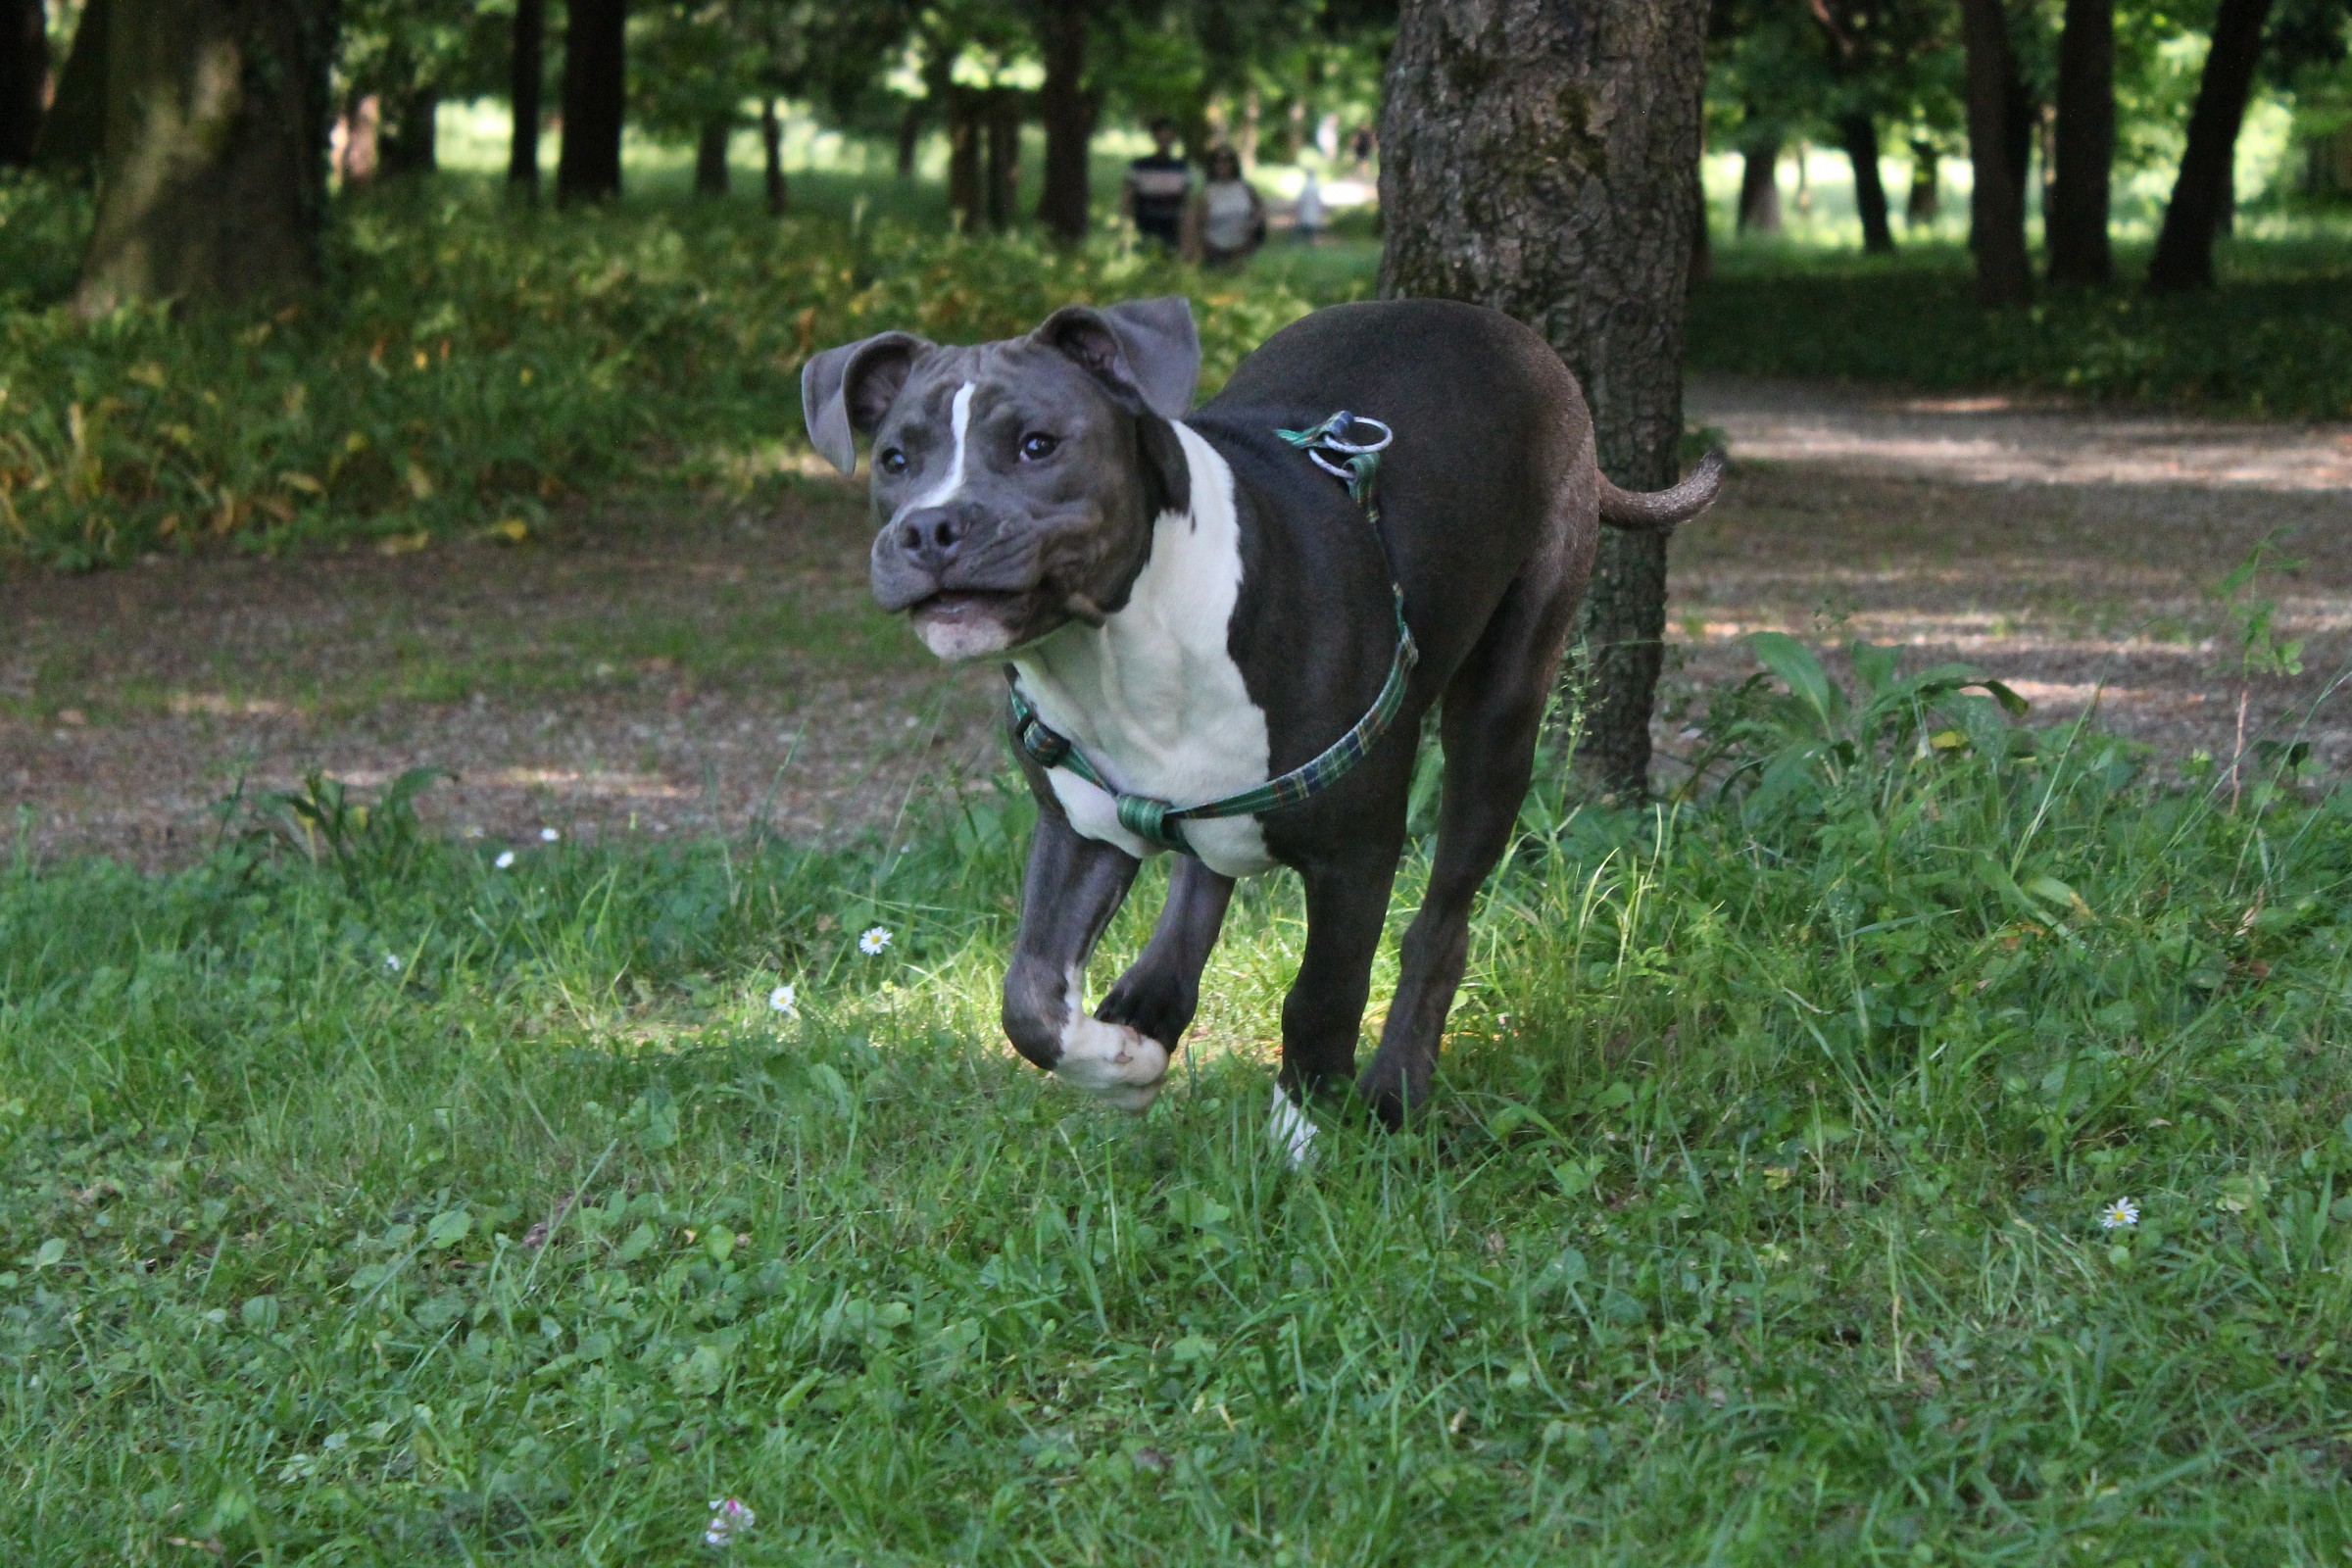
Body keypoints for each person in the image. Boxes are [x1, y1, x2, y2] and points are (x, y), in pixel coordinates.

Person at [1184, 146, 1266, 269]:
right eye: (1218, 161)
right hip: (1215, 250)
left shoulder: (1245, 189)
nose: (1223, 165)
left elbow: (1260, 209)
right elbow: (1197, 223)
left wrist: (1253, 226)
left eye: (1227, 161)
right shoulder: (1206, 192)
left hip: (1243, 248)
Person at [1120, 119, 1192, 251]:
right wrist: (1124, 230)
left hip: (1172, 229)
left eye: (1168, 136)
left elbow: (1186, 203)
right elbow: (1126, 199)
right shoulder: (1139, 166)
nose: (1164, 140)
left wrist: (1187, 236)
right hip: (1144, 225)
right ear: (1154, 137)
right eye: (1160, 135)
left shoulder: (1181, 168)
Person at [1294, 171, 1327, 246]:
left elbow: (1300, 201)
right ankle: (1311, 243)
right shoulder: (1317, 188)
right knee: (1312, 231)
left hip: (1305, 213)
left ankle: (1306, 243)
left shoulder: (1304, 188)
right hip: (1314, 214)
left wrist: (1297, 212)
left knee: (1306, 230)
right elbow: (1319, 202)